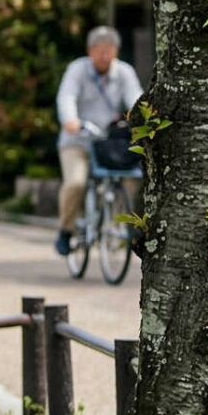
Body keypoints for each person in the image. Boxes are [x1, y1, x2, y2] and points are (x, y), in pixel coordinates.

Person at [54, 25, 144, 256]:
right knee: (76, 183)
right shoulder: (77, 69)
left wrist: (141, 119)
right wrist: (70, 119)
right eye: (99, 50)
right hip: (78, 140)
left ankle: (116, 224)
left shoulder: (124, 72)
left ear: (116, 51)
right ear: (90, 51)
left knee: (133, 177)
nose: (104, 55)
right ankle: (66, 230)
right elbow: (66, 96)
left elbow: (135, 98)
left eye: (109, 50)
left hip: (108, 142)